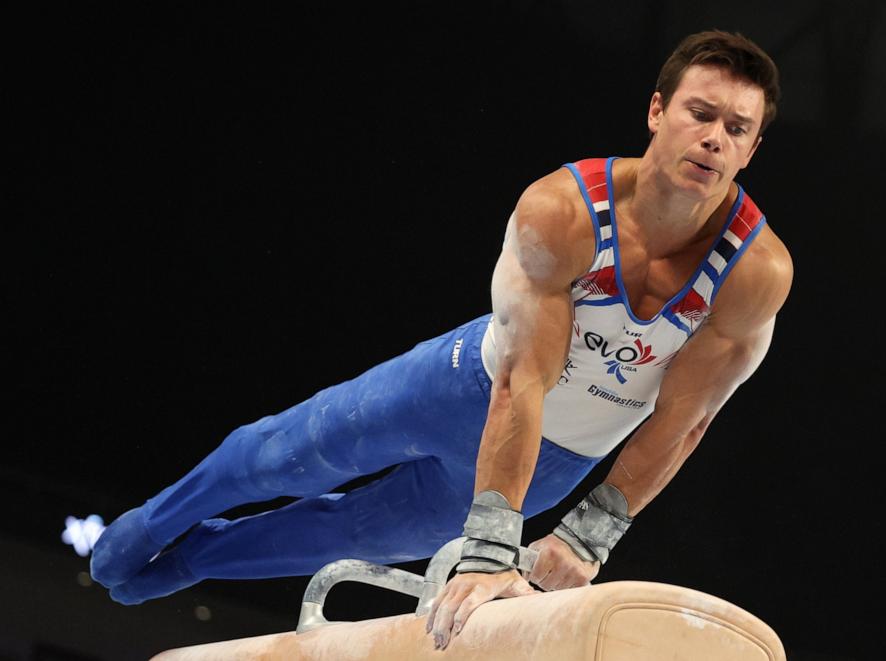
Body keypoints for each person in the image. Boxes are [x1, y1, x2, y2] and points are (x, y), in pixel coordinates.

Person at [91, 29, 792, 651]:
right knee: (288, 454)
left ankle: (194, 560)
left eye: (737, 127)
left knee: (352, 534)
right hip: (461, 389)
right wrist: (492, 543)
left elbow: (685, 417)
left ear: (753, 148)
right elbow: (520, 382)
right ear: (657, 111)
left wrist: (591, 531)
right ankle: (161, 519)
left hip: (560, 457)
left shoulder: (753, 274)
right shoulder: (565, 210)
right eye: (701, 114)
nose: (714, 138)